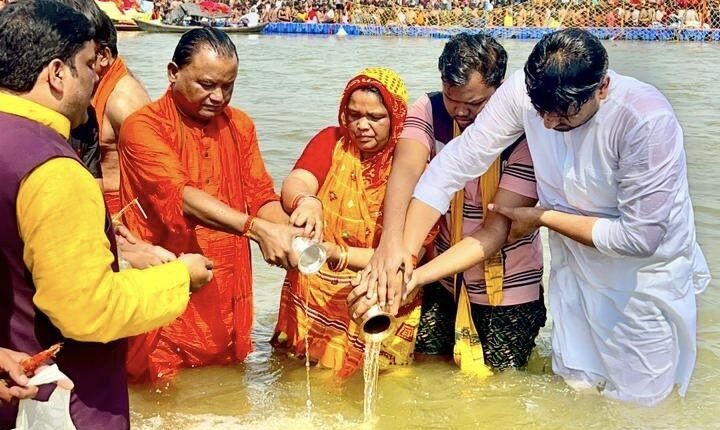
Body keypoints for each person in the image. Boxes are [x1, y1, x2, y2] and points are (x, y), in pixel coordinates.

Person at [391, 29, 710, 405]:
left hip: (641, 282)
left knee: (642, 400)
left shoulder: (644, 120)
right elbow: (454, 164)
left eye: (562, 116)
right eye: (540, 112)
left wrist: (544, 217)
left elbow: (640, 238)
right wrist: (402, 253)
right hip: (573, 266)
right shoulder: (522, 94)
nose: (546, 125)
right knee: (575, 385)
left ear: (602, 88)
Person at [0, 1, 213, 429]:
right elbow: (88, 310)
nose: (98, 75)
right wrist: (179, 278)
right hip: (57, 398)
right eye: (87, 63)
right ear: (57, 73)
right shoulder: (53, 170)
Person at [118, 28, 302, 383]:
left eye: (228, 86)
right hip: (167, 291)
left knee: (225, 397)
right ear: (173, 72)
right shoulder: (142, 127)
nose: (219, 97)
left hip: (225, 294)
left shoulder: (240, 125)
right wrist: (256, 229)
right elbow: (180, 196)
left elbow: (261, 195)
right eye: (206, 84)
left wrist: (290, 230)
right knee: (161, 400)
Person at [351, 33, 545, 369]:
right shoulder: (430, 109)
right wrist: (393, 250)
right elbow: (407, 169)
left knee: (501, 388)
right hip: (442, 276)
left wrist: (415, 277)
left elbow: (495, 230)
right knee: (429, 373)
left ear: (500, 90)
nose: (460, 112)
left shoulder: (526, 134)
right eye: (452, 98)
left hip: (507, 286)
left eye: (474, 104)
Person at [271, 67, 430, 377]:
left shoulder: (411, 162)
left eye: (375, 117)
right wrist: (307, 201)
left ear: (396, 116)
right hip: (317, 294)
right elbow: (298, 180)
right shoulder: (332, 141)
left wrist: (337, 254)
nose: (362, 126)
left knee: (386, 390)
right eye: (354, 114)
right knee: (304, 381)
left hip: (376, 291)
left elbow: (410, 254)